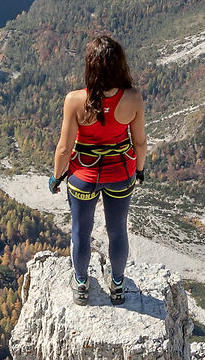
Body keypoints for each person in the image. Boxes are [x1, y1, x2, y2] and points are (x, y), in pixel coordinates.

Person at [50, 33, 144, 304]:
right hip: (121, 175)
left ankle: (81, 284)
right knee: (117, 230)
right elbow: (139, 141)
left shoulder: (75, 100)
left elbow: (64, 149)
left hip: (84, 176)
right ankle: (117, 284)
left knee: (81, 231)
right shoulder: (133, 98)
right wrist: (139, 170)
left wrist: (56, 178)